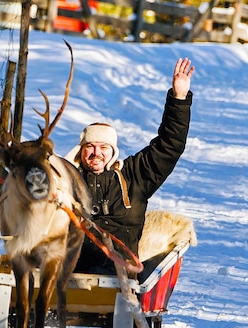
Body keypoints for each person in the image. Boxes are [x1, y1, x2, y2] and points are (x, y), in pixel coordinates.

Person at [66, 57, 195, 275]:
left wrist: (179, 99)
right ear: (81, 150)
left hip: (118, 271)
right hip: (70, 267)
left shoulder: (133, 176)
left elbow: (169, 146)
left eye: (103, 147)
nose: (97, 153)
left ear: (113, 151)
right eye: (90, 147)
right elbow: (25, 185)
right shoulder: (66, 178)